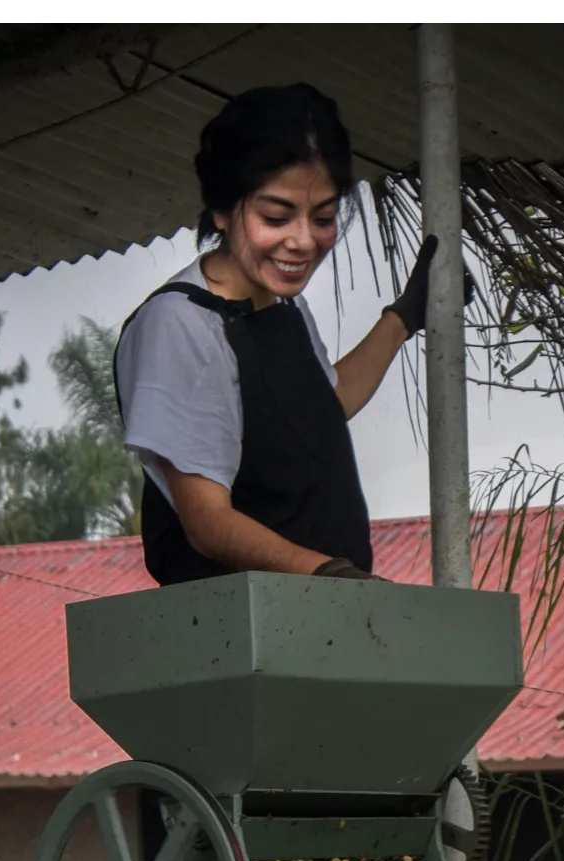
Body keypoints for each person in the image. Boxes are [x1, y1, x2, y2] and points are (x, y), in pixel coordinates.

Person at [114, 83, 457, 587]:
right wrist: (330, 575)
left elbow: (325, 404)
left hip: (318, 603)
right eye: (276, 217)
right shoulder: (179, 323)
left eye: (323, 218)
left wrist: (404, 316)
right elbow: (208, 521)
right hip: (239, 618)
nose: (302, 241)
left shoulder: (283, 304)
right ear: (222, 209)